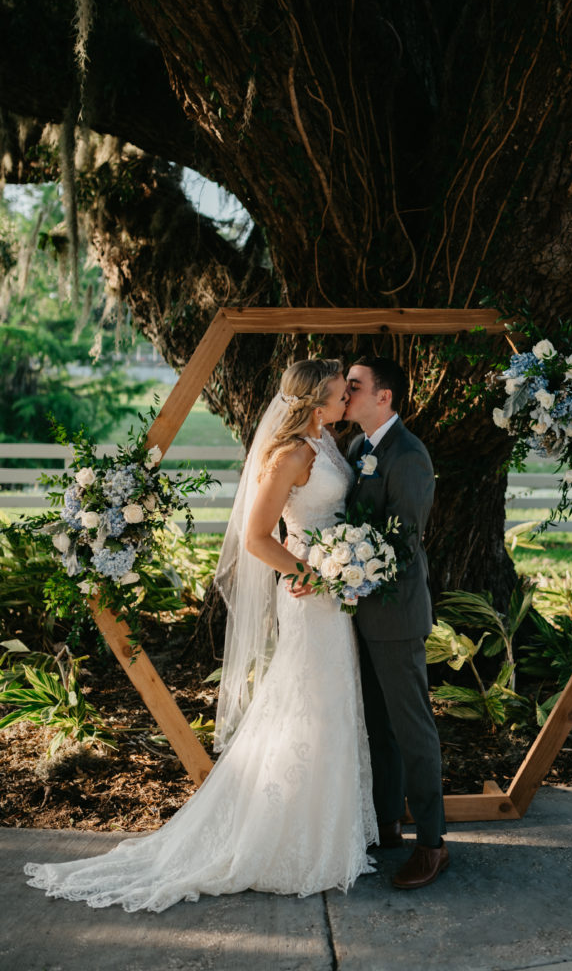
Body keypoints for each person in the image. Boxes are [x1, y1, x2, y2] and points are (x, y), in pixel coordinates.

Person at [24, 359, 378, 912]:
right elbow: (259, 538)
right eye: (337, 397)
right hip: (311, 596)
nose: (344, 405)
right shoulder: (289, 455)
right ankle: (283, 838)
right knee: (308, 703)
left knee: (327, 704)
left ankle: (326, 833)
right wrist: (306, 571)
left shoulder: (327, 442)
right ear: (313, 404)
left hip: (335, 590)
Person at [345, 357, 448, 890]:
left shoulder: (407, 455)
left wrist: (350, 567)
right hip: (357, 613)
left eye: (355, 387)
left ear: (383, 397)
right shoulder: (357, 449)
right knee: (376, 726)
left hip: (396, 613)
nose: (345, 393)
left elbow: (402, 544)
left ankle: (432, 843)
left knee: (411, 728)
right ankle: (387, 826)